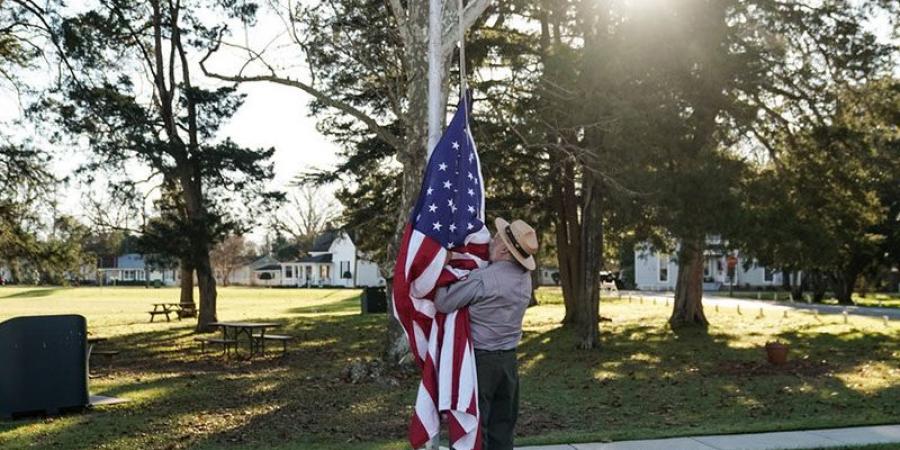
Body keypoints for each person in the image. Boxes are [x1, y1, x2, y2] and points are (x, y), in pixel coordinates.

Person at [434, 217, 538, 450]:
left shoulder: (485, 279)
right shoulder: (525, 279)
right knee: (502, 428)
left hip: (481, 363)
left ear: (503, 249)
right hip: (509, 362)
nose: (490, 240)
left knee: (475, 429)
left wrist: (444, 268)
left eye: (496, 237)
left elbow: (443, 302)